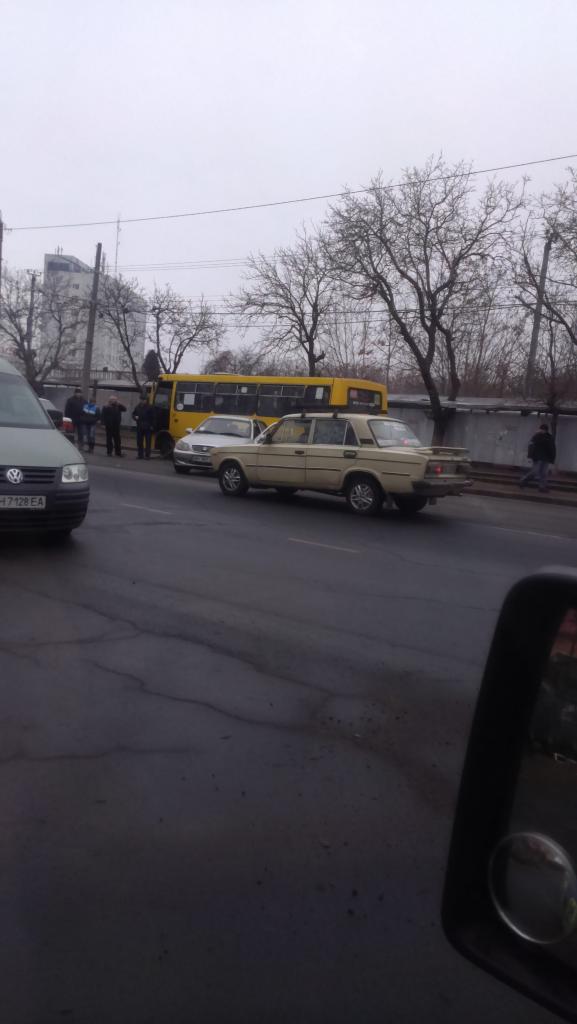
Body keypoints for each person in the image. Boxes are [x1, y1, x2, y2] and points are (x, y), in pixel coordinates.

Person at [520, 423, 556, 493]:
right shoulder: (536, 436)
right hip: (538, 457)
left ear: (545, 430)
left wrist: (552, 458)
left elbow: (552, 448)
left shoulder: (549, 437)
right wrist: (531, 455)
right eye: (541, 429)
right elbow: (531, 445)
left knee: (544, 473)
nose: (541, 430)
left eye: (542, 429)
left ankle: (542, 487)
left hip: (546, 458)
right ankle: (524, 480)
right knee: (535, 472)